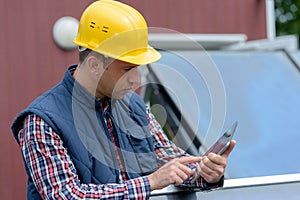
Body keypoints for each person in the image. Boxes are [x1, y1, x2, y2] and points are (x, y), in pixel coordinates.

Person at [11, 0, 236, 199]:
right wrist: (149, 183)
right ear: (94, 65)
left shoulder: (134, 107)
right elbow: (66, 195)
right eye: (127, 69)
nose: (136, 80)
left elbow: (170, 163)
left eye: (138, 68)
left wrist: (205, 172)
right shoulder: (42, 122)